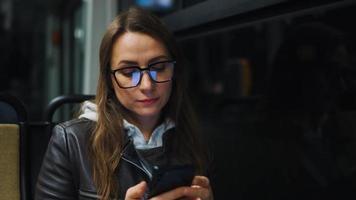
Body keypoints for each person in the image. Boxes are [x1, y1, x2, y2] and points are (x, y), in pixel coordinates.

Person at [35, 7, 214, 200]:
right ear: (109, 79)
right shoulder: (72, 141)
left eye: (159, 67)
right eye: (129, 72)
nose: (147, 85)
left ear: (174, 72)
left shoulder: (198, 137)